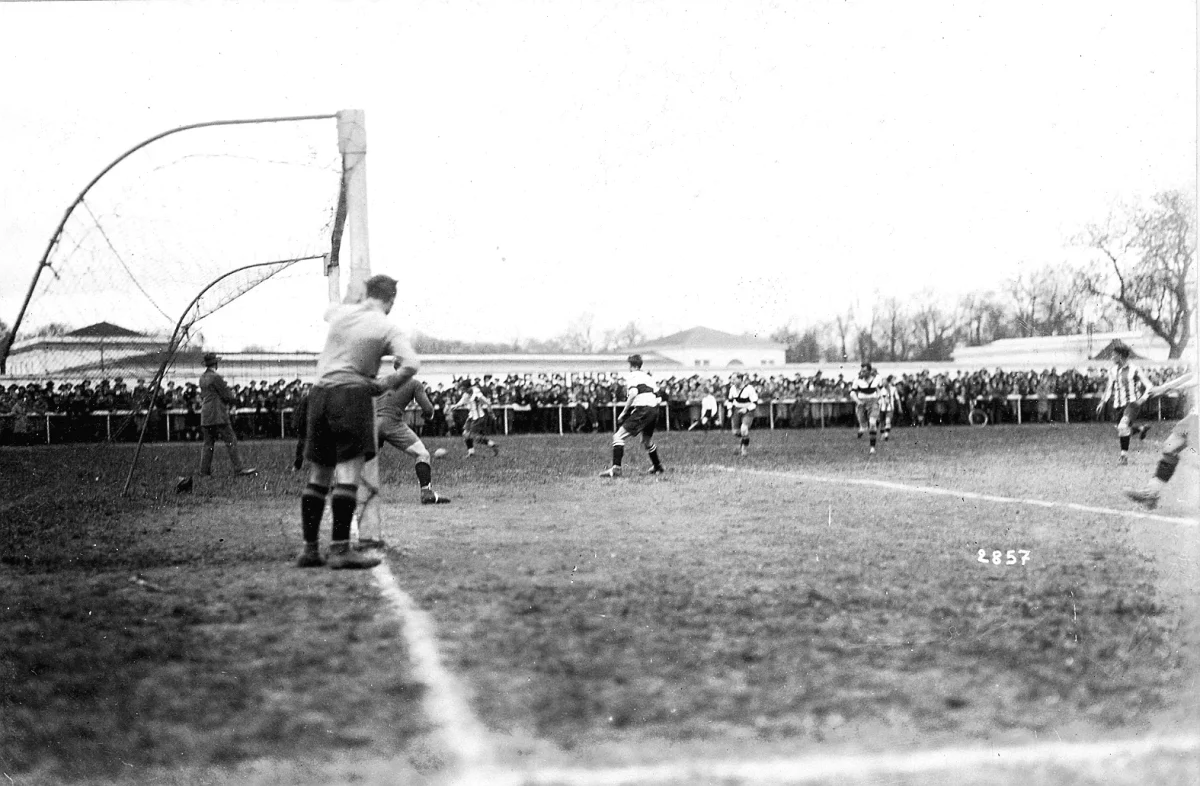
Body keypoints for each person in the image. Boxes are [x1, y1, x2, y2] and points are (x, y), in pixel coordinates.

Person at [297, 274, 420, 570]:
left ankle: (310, 550)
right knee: (348, 472)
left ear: (366, 293)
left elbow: (329, 309)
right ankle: (340, 550)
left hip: (318, 395)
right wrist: (384, 383)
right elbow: (412, 363)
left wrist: (354, 297)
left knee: (319, 476)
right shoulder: (387, 325)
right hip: (351, 396)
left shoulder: (341, 313)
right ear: (391, 301)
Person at [377, 361, 450, 504]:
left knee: (362, 458)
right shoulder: (414, 383)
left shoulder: (381, 381)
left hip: (371, 422)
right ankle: (426, 493)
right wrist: (429, 416)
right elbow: (428, 409)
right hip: (392, 422)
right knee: (422, 454)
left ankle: (340, 487)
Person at [1127, 371, 1196, 510]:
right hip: (1194, 417)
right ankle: (1151, 494)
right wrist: (1164, 387)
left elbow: (1193, 381)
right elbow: (1190, 376)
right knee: (1169, 449)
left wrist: (1168, 389)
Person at [600, 354, 665, 477]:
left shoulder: (632, 376)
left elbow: (633, 393)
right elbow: (659, 397)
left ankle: (616, 469)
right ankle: (658, 466)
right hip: (653, 409)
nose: (628, 368)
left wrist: (624, 412)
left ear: (633, 366)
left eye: (629, 366)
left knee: (618, 437)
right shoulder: (648, 377)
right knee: (647, 441)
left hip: (643, 409)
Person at [198, 353, 257, 477]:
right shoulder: (216, 377)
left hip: (206, 414)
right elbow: (226, 395)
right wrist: (233, 400)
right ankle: (239, 468)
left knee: (208, 443)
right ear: (216, 364)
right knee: (231, 441)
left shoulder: (202, 378)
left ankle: (204, 472)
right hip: (218, 414)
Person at [1095, 344, 1152, 465]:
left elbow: (1149, 386)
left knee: (1122, 427)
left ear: (1120, 356)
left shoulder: (1134, 369)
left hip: (1132, 403)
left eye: (1113, 355)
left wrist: (1142, 399)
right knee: (1123, 430)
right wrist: (1102, 402)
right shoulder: (1112, 370)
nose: (1111, 357)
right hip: (1118, 405)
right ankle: (1141, 428)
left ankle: (1123, 457)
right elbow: (1109, 388)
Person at [453, 383, 500, 457]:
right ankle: (471, 452)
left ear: (468, 387)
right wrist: (456, 406)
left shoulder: (477, 393)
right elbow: (462, 400)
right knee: (465, 434)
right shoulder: (466, 394)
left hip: (478, 417)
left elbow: (487, 402)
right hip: (471, 416)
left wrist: (491, 413)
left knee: (474, 437)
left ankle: (492, 444)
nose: (463, 391)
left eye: (463, 389)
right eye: (462, 389)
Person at [852, 361, 883, 454]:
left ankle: (872, 448)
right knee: (864, 426)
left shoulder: (877, 378)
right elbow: (852, 393)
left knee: (872, 423)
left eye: (865, 371)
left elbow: (881, 389)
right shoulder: (857, 379)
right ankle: (863, 427)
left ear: (870, 371)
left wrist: (880, 399)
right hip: (861, 403)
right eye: (862, 370)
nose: (862, 373)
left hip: (873, 402)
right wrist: (858, 401)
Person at [729, 372, 759, 457]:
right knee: (735, 432)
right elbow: (730, 401)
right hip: (736, 410)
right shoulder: (732, 389)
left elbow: (755, 403)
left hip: (748, 410)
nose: (732, 381)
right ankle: (745, 439)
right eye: (732, 379)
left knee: (744, 429)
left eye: (734, 379)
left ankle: (744, 450)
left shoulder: (749, 388)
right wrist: (729, 409)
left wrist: (746, 409)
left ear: (740, 379)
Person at [878, 375, 901, 441]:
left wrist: (899, 407)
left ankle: (886, 435)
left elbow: (897, 398)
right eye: (883, 382)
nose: (884, 383)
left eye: (885, 382)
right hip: (881, 408)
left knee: (888, 421)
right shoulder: (881, 390)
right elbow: (878, 398)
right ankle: (882, 435)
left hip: (890, 408)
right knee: (882, 422)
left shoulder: (893, 389)